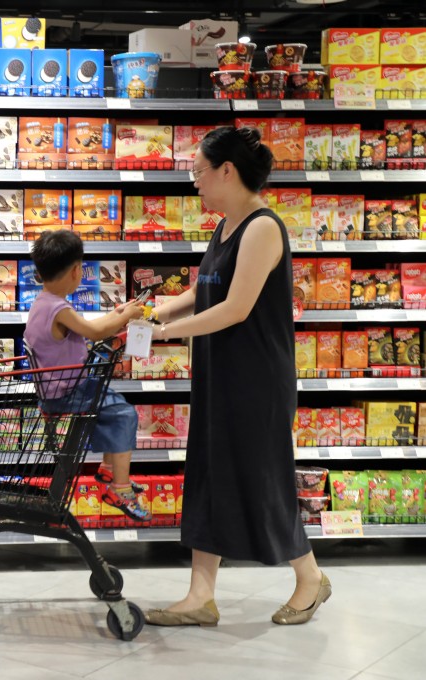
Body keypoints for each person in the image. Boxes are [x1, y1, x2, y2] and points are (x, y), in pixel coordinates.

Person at [143, 126, 330, 627]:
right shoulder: (225, 226)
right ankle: (200, 595)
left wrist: (167, 334)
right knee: (207, 472)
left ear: (228, 170)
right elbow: (203, 292)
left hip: (256, 379)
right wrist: (151, 313)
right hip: (219, 371)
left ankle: (310, 577)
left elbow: (236, 308)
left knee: (259, 476)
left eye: (200, 171)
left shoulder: (263, 227)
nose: (195, 182)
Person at [24, 229, 149, 522]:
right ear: (77, 271)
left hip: (59, 389)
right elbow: (94, 331)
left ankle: (109, 468)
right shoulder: (60, 308)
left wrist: (118, 312)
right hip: (69, 392)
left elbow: (89, 326)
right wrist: (126, 316)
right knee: (124, 414)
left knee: (112, 405)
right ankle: (119, 487)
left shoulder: (43, 302)